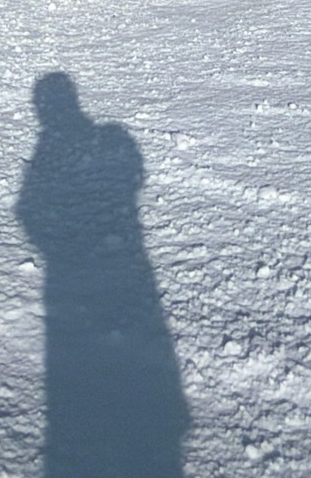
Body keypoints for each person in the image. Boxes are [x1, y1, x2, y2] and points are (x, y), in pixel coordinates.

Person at [16, 72, 188, 478]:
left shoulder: (67, 145)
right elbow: (29, 208)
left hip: (86, 270)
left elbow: (26, 209)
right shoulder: (91, 141)